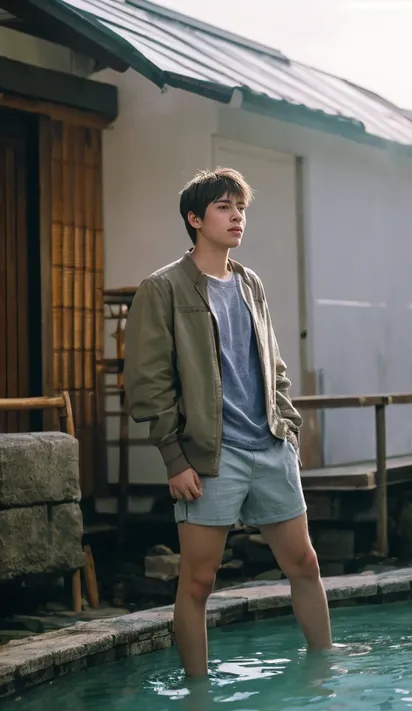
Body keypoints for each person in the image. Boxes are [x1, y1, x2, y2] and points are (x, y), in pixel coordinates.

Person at [124, 167, 332, 678]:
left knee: (304, 564)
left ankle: (325, 671)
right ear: (195, 219)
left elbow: (273, 363)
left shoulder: (249, 282)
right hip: (208, 457)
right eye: (223, 207)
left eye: (240, 207)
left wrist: (287, 427)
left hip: (269, 447)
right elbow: (148, 383)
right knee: (198, 583)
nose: (237, 216)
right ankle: (198, 691)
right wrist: (174, 459)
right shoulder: (163, 288)